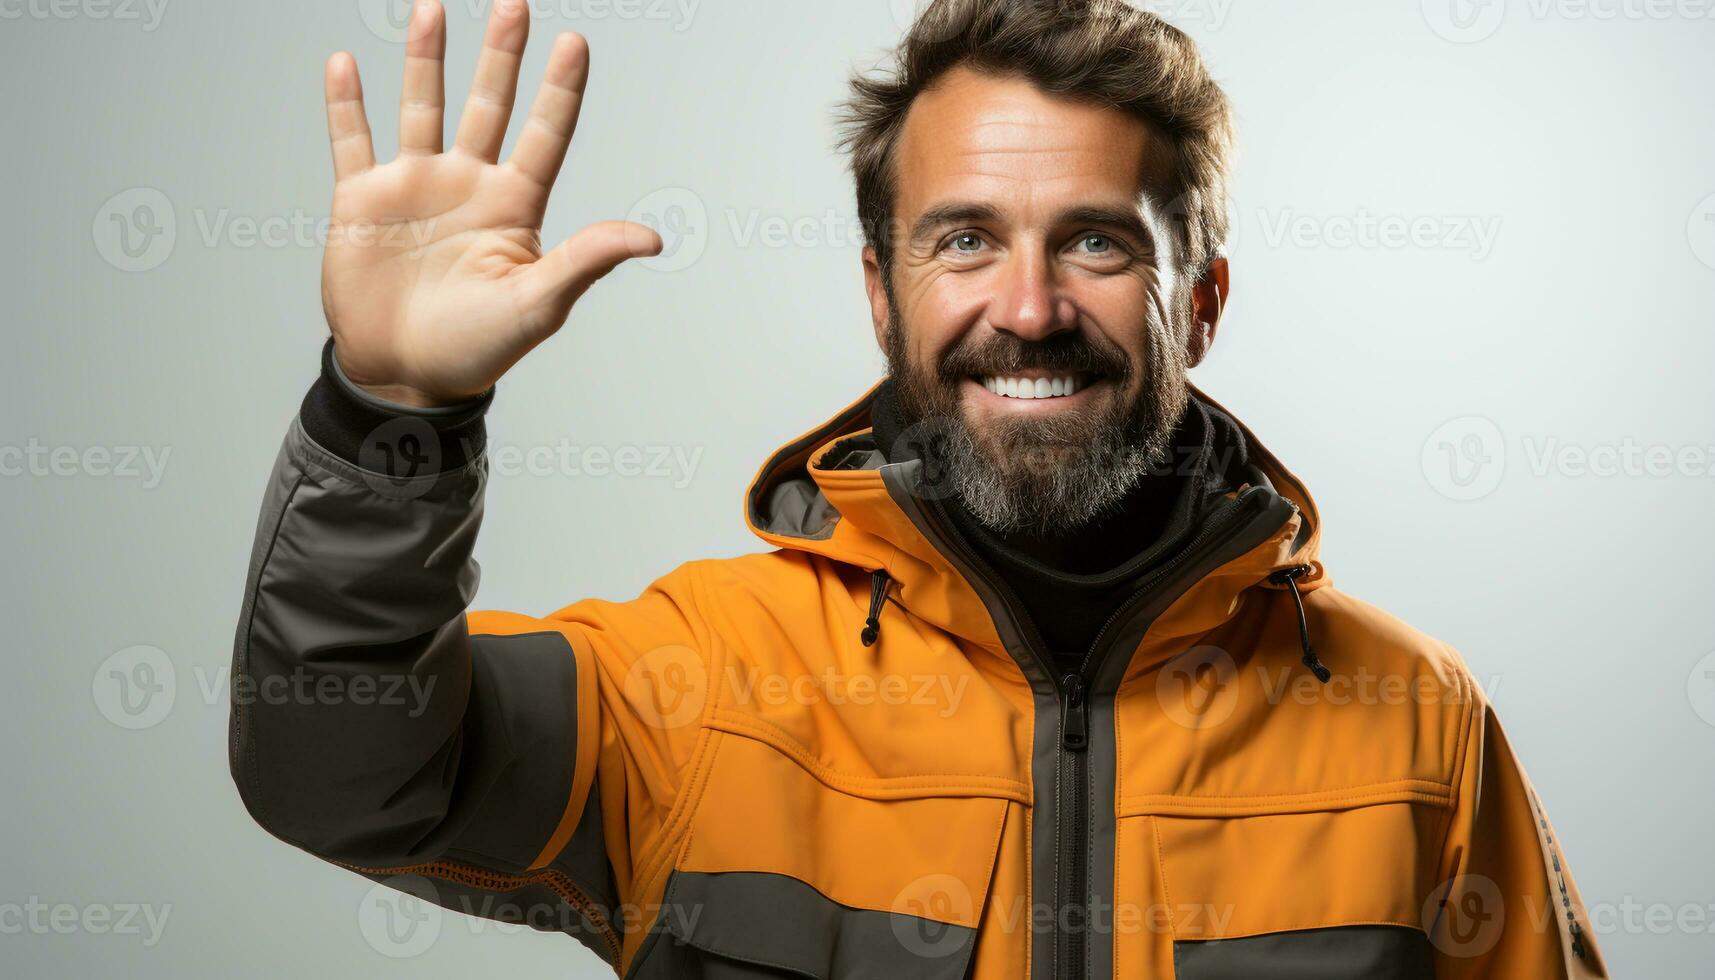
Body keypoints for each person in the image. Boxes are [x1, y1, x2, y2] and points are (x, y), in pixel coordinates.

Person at [228, 0, 1607, 976]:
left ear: (1206, 302)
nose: (1028, 305)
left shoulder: (1414, 725)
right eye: (963, 239)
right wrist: (394, 409)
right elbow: (343, 775)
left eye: (1098, 245)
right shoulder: (703, 685)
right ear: (879, 295)